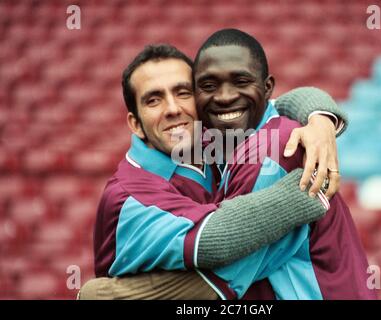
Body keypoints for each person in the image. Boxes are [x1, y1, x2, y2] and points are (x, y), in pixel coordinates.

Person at [79, 39, 349, 299]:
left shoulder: (210, 136)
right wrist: (308, 190)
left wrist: (320, 118)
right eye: (153, 100)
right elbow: (215, 241)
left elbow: (272, 104)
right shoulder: (128, 198)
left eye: (183, 92)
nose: (173, 109)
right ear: (135, 124)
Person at [194, 29, 375, 299]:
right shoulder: (214, 142)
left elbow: (215, 278)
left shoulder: (276, 149)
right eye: (209, 86)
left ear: (267, 87)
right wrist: (320, 115)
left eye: (241, 81)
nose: (224, 96)